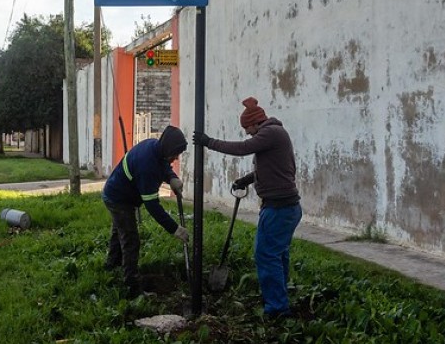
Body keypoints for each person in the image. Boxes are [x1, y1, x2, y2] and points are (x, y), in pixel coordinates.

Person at [195, 97, 302, 318]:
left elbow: (243, 148)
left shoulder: (270, 133)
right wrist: (246, 180)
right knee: (277, 255)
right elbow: (272, 168)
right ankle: (279, 300)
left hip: (279, 209)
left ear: (255, 123)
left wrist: (209, 142)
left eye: (247, 128)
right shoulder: (275, 134)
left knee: (266, 255)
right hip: (285, 207)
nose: (247, 133)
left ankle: (277, 309)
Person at [102, 125, 189, 296]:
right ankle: (132, 286)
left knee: (119, 232)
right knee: (130, 239)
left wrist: (172, 177)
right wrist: (175, 229)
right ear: (168, 149)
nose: (176, 158)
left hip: (117, 193)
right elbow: (152, 206)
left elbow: (163, 164)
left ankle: (111, 266)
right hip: (119, 199)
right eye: (175, 154)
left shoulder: (155, 147)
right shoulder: (147, 165)